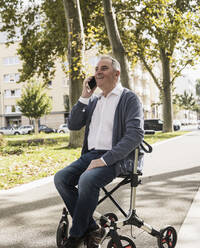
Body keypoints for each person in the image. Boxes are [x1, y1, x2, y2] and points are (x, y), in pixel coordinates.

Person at [54, 55, 144, 248]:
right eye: (96, 69)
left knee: (86, 179)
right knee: (61, 178)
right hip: (91, 156)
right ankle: (92, 227)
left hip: (117, 158)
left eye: (103, 68)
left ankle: (76, 235)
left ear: (116, 74)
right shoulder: (94, 101)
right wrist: (85, 97)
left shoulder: (128, 98)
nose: (98, 72)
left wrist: (104, 160)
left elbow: (135, 135)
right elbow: (73, 124)